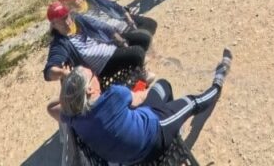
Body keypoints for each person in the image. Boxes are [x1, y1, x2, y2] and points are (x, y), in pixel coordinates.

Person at [47, 49, 232, 164]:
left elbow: (52, 107)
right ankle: (217, 84)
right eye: (94, 76)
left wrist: (70, 91)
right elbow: (142, 97)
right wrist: (132, 94)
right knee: (191, 101)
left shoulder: (74, 117)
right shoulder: (114, 96)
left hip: (126, 158)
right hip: (154, 134)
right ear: (89, 89)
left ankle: (173, 122)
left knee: (163, 86)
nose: (97, 77)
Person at [43, 2, 151, 84]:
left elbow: (101, 26)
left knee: (143, 39)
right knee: (138, 52)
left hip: (110, 46)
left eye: (66, 17)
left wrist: (121, 41)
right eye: (60, 21)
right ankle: (137, 76)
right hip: (102, 65)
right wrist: (63, 73)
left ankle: (136, 68)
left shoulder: (77, 20)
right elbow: (49, 71)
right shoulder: (60, 43)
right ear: (53, 24)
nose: (66, 22)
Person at [58, 0, 158, 37]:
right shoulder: (75, 19)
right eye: (71, 1)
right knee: (141, 37)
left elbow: (113, 6)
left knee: (151, 23)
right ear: (66, 5)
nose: (77, 1)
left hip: (121, 20)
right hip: (115, 34)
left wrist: (128, 17)